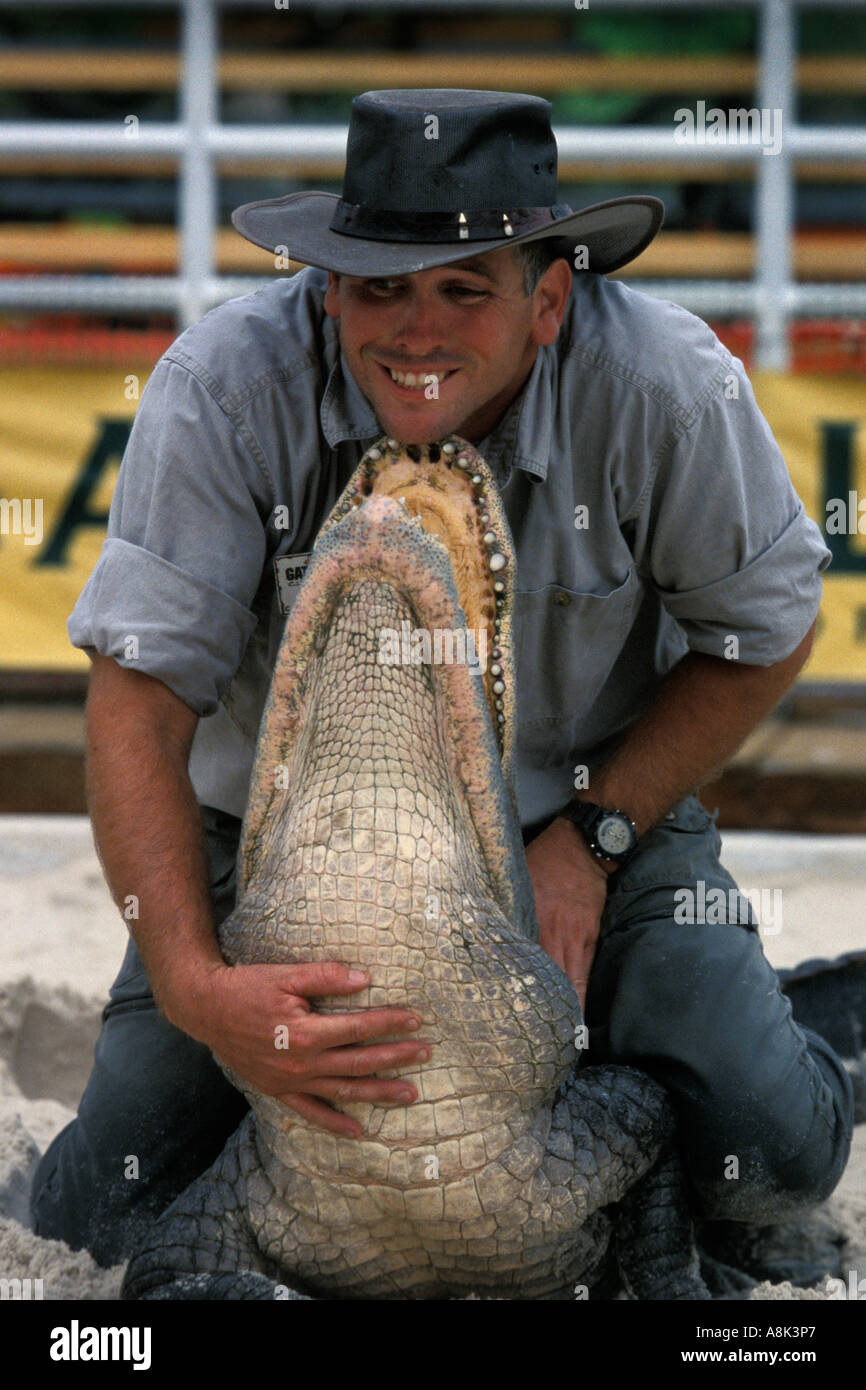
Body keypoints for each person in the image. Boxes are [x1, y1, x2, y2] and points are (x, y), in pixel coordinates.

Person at [31, 89, 852, 1272]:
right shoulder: (221, 384)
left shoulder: (667, 384)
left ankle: (757, 1041)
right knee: (107, 1201)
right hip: (279, 851)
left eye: (466, 286)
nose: (414, 332)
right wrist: (198, 984)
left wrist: (593, 832)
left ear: (549, 298)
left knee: (769, 1151)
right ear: (327, 289)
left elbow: (767, 635)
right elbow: (135, 709)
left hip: (589, 816)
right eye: (379, 286)